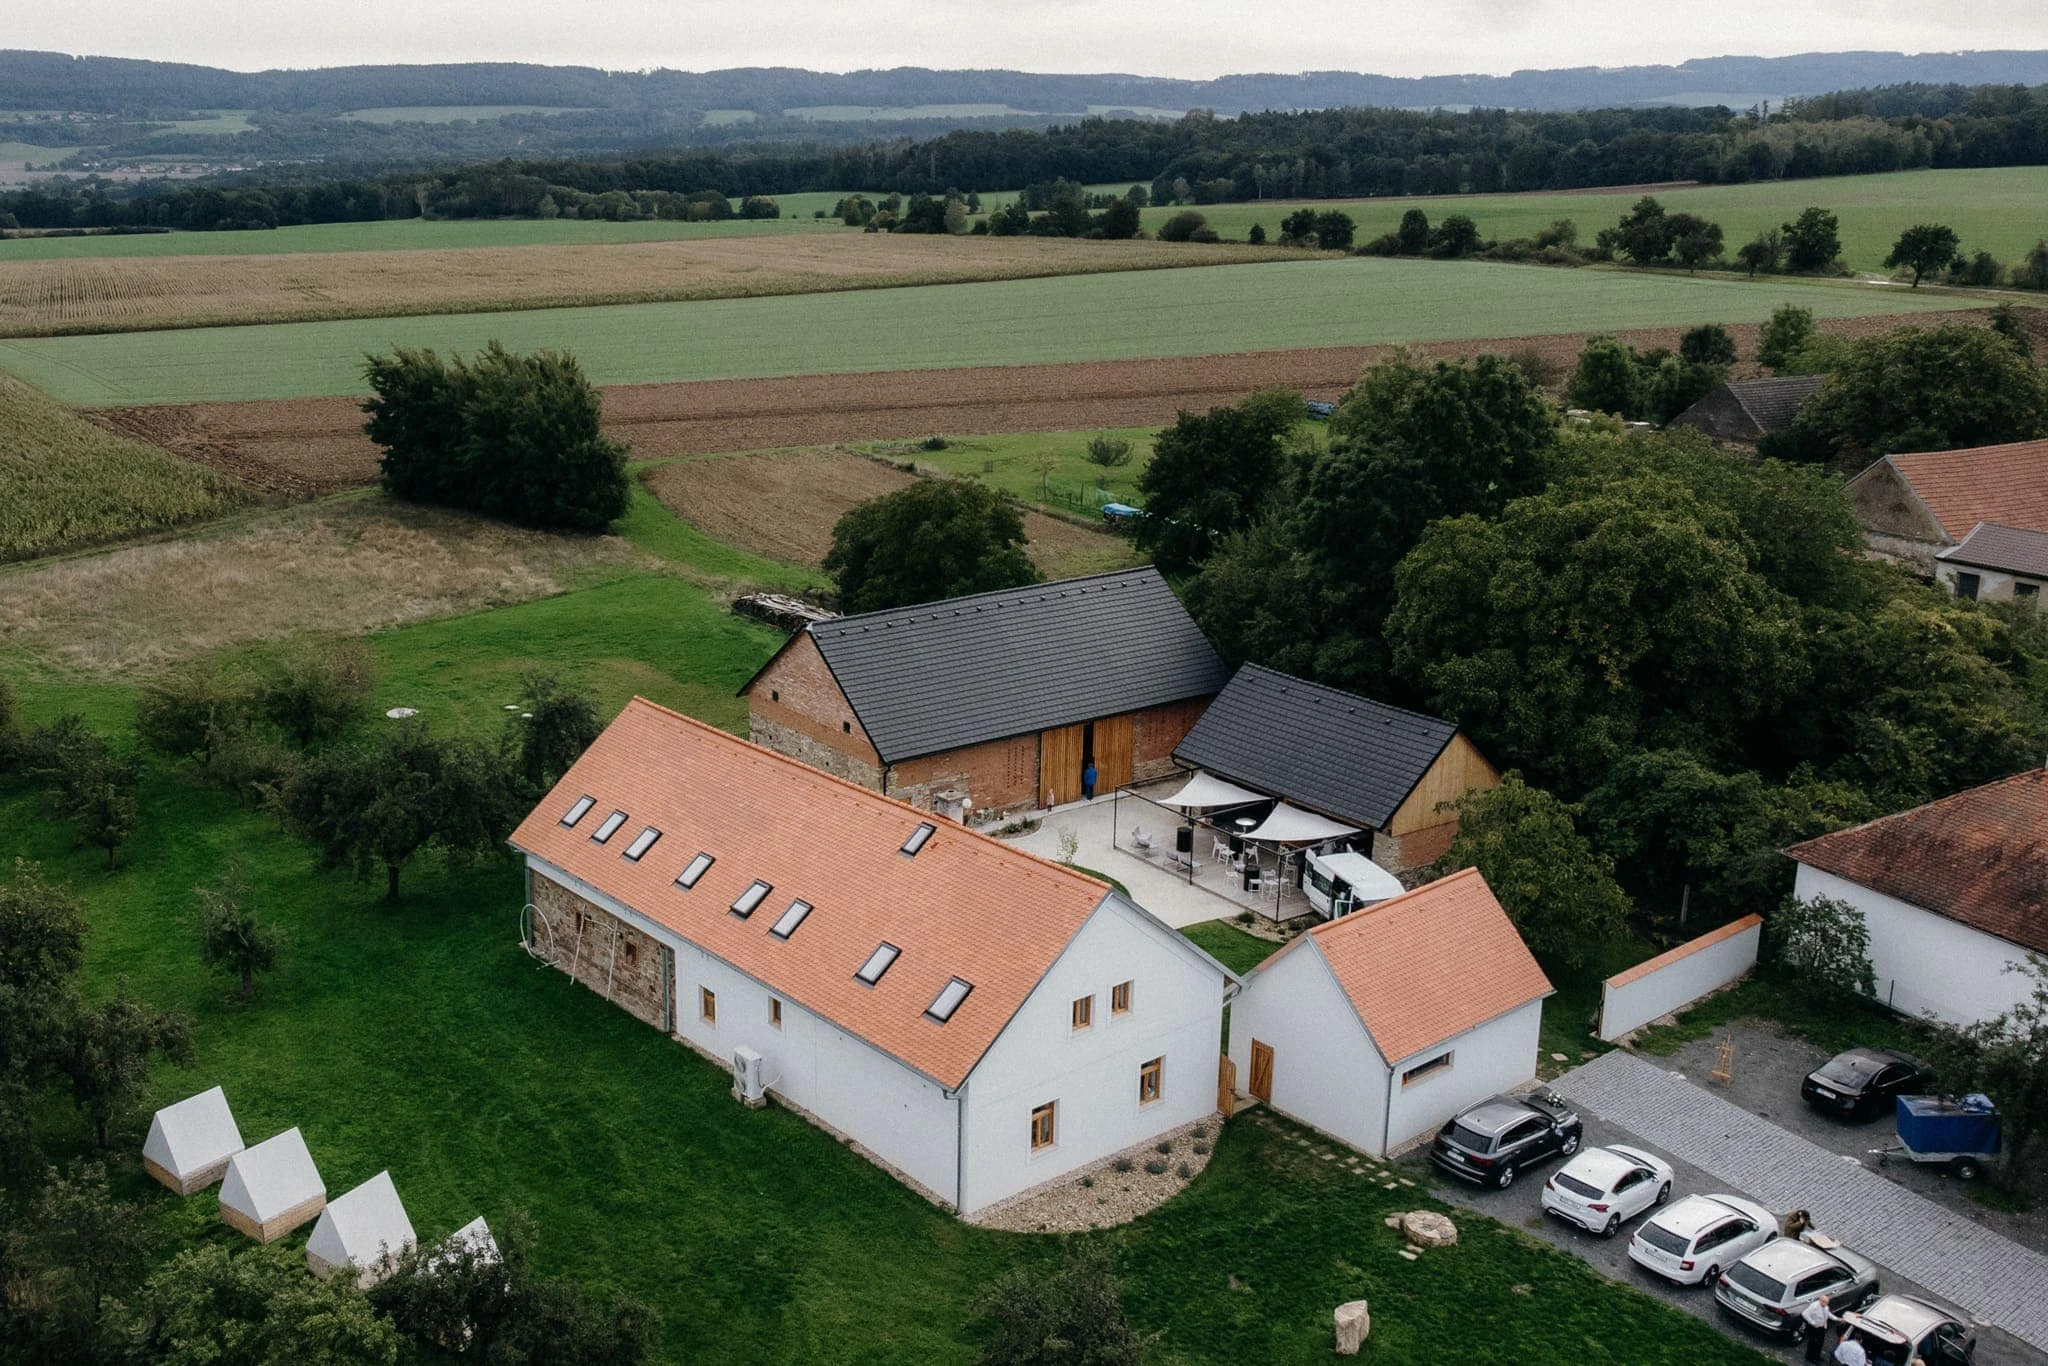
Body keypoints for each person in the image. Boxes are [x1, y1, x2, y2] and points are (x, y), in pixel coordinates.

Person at [1802, 1293, 1835, 1362]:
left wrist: (1836, 1318)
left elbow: (1828, 1314)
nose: (1826, 1304)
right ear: (1820, 1300)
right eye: (1824, 1302)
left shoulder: (1825, 1307)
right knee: (1813, 1342)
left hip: (1821, 1327)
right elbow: (1804, 1314)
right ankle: (1810, 1357)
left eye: (1827, 1303)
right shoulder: (1814, 1306)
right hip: (1813, 1327)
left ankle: (1817, 1356)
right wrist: (1813, 1322)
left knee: (1820, 1342)